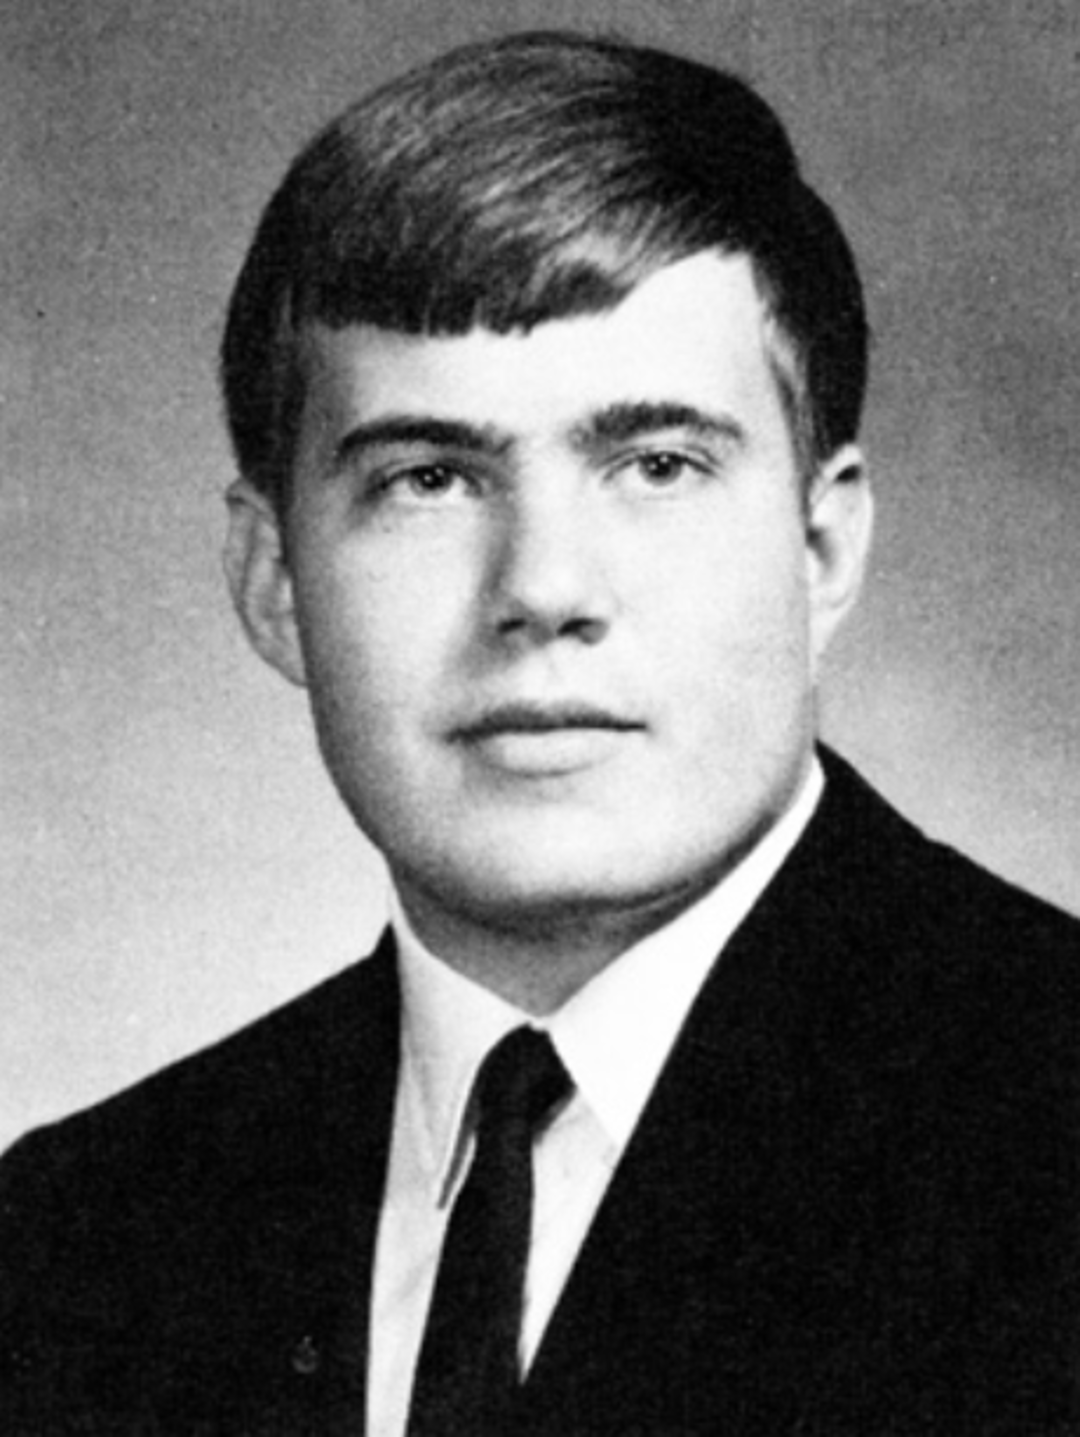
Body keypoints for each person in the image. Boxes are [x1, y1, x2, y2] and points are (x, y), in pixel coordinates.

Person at [1, 29, 1077, 1436]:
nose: (543, 591)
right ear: (272, 581)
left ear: (821, 546)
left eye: (655, 464)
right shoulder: (74, 1247)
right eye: (430, 477)